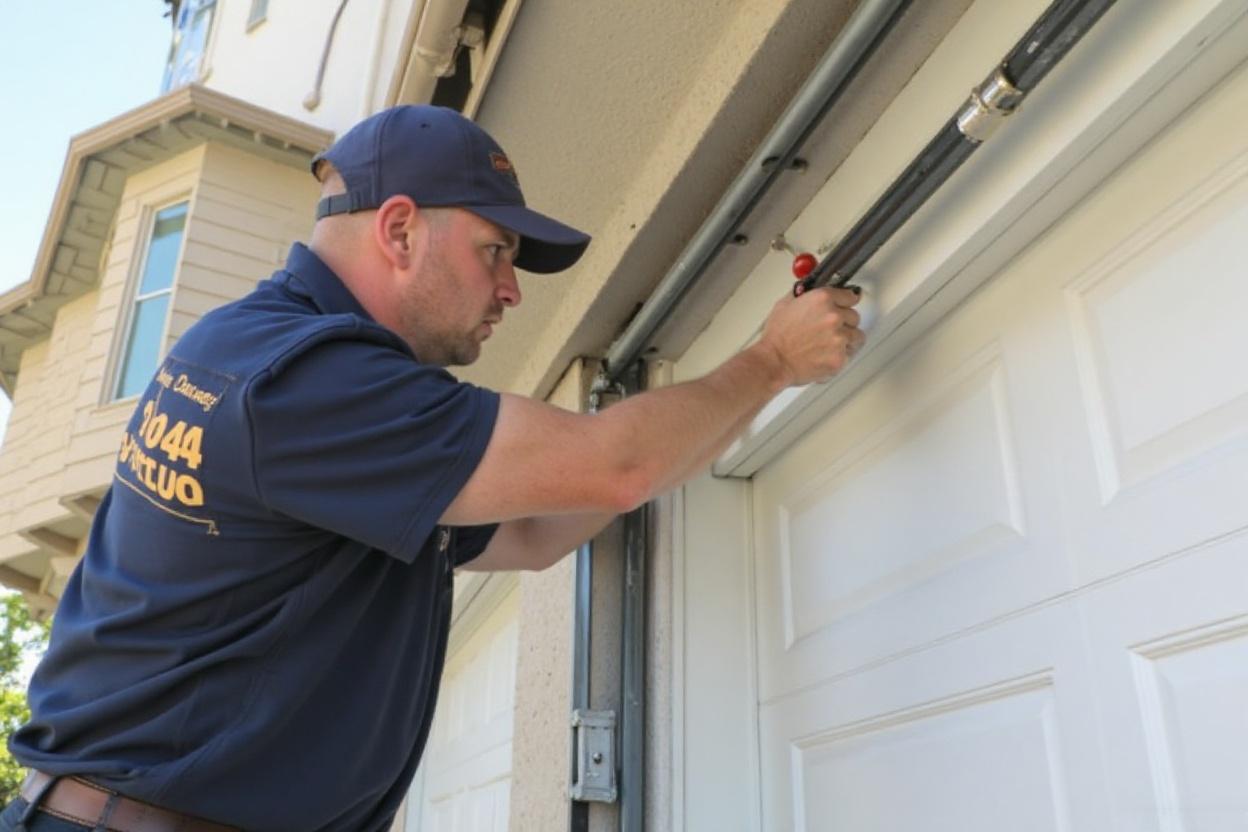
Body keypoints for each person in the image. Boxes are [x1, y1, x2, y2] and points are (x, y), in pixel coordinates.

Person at [1, 105, 864, 832]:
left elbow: (530, 532)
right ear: (401, 230)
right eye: (495, 251)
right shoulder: (309, 378)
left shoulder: (269, 357)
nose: (512, 289)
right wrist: (769, 364)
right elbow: (617, 470)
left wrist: (690, 426)